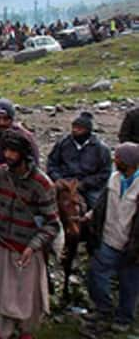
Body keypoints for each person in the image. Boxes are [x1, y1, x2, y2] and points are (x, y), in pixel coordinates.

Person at [0, 130, 60, 339]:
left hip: (26, 252)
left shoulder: (42, 184)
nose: (8, 155)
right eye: (6, 150)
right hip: (2, 246)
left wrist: (32, 246)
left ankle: (24, 334)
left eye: (13, 151)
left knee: (26, 301)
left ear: (24, 154)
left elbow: (52, 225)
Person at [82, 142, 139, 336]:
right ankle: (103, 309)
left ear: (129, 162)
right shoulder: (114, 179)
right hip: (109, 238)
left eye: (119, 158)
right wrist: (89, 216)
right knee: (96, 275)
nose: (115, 161)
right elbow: (102, 203)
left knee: (129, 284)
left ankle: (124, 318)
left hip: (132, 245)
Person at [46, 112, 112, 208]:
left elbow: (105, 172)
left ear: (87, 130)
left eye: (79, 128)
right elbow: (52, 163)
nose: (75, 130)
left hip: (89, 187)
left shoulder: (101, 148)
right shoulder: (63, 144)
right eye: (74, 127)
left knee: (99, 207)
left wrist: (84, 184)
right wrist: (58, 179)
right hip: (64, 183)